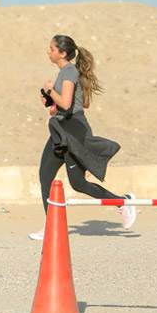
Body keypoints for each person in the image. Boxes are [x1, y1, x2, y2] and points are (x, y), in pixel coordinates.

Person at [30, 34, 135, 240]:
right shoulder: (65, 72)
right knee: (46, 175)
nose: (48, 52)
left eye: (51, 49)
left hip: (71, 131)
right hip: (62, 128)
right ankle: (52, 226)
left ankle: (123, 202)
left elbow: (68, 105)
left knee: (77, 183)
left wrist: (51, 90)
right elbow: (62, 107)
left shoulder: (69, 72)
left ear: (62, 53)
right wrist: (49, 99)